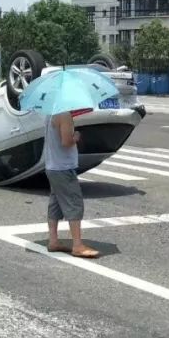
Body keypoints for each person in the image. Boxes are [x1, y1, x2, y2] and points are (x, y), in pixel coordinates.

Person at [45, 108, 100, 258]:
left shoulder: (51, 113)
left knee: (55, 203)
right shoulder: (64, 115)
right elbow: (66, 142)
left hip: (53, 166)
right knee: (74, 203)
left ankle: (53, 240)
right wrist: (75, 136)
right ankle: (77, 245)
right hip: (63, 168)